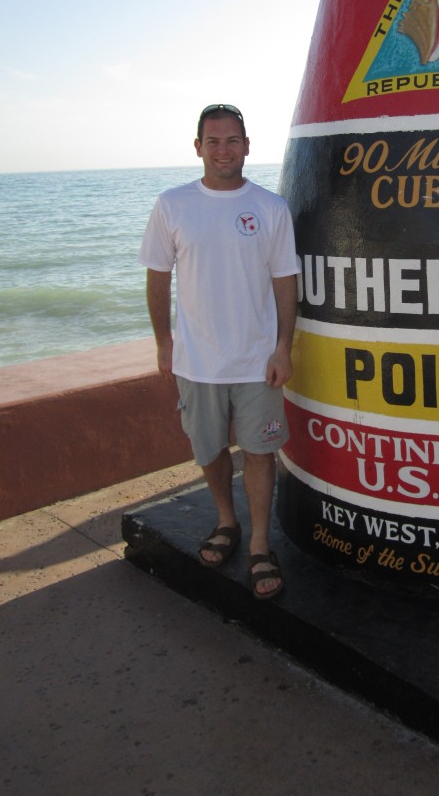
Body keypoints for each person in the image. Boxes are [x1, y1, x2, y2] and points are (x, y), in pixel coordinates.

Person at [139, 103, 299, 599]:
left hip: (257, 363)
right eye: (214, 141)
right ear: (198, 147)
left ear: (247, 146)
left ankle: (257, 544)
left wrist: (283, 348)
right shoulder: (173, 204)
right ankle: (226, 522)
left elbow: (286, 283)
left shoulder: (271, 208)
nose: (223, 150)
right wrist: (164, 341)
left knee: (259, 452)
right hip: (197, 362)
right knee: (209, 451)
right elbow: (157, 277)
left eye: (233, 141)